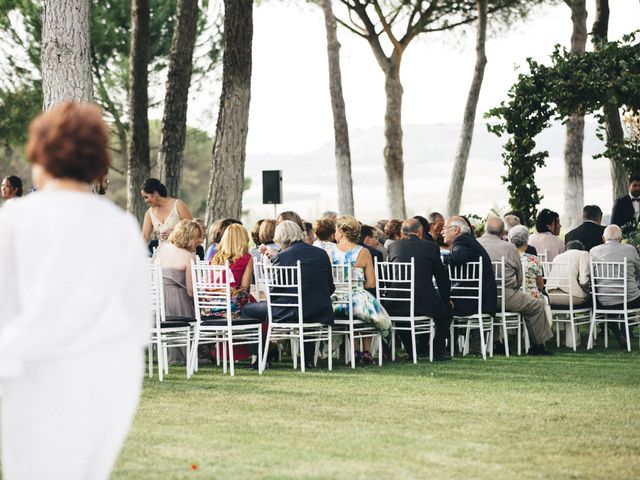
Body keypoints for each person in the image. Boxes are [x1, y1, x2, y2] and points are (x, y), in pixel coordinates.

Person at [0, 102, 149, 479]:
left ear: (42, 153)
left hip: (34, 370)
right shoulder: (119, 225)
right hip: (108, 371)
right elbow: (137, 318)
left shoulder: (16, 218)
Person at [242, 221, 335, 369]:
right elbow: (330, 288)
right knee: (307, 309)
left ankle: (260, 357)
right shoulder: (321, 254)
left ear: (281, 237)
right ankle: (308, 360)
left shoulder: (282, 257)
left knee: (247, 309)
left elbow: (273, 294)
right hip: (320, 310)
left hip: (292, 312)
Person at [477, 216, 554, 355]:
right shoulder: (509, 247)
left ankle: (496, 343)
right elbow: (519, 277)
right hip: (505, 295)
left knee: (493, 312)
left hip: (480, 296)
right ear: (503, 233)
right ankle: (539, 346)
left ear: (484, 229)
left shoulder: (475, 244)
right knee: (536, 305)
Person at [387, 218, 453, 361]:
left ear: (402, 233)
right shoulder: (431, 247)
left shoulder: (393, 247)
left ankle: (412, 351)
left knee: (401, 320)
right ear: (420, 232)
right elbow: (441, 277)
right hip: (423, 301)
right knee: (446, 313)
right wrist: (446, 300)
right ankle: (437, 351)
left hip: (395, 302)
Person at [332, 215, 392, 362]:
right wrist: (357, 286)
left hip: (334, 302)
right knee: (377, 315)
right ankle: (367, 351)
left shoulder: (330, 251)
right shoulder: (363, 252)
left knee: (359, 312)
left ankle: (355, 350)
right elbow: (372, 283)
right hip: (356, 302)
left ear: (341, 231)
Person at [154, 219, 202, 364]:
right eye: (197, 237)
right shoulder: (190, 256)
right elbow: (191, 291)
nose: (199, 241)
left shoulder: (161, 248)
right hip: (177, 302)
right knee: (193, 306)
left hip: (157, 302)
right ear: (188, 236)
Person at [210, 223, 256, 362]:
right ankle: (260, 355)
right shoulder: (247, 258)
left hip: (214, 307)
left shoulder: (215, 258)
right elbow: (245, 288)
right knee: (262, 313)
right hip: (233, 307)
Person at [590, 224, 640, 349]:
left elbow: (591, 275)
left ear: (603, 238)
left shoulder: (594, 251)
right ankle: (626, 331)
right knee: (631, 292)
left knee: (611, 305)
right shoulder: (630, 249)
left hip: (604, 301)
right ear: (621, 238)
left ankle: (620, 335)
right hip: (631, 300)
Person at [442, 216, 497, 318]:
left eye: (445, 228)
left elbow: (459, 257)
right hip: (480, 298)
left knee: (434, 302)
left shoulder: (462, 241)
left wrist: (440, 258)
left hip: (473, 301)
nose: (442, 232)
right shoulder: (468, 240)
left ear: (456, 230)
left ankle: (441, 334)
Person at [546, 240, 591, 348]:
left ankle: (562, 338)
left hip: (552, 296)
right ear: (581, 248)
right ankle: (591, 338)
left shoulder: (558, 257)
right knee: (591, 300)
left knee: (563, 308)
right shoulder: (583, 254)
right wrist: (587, 291)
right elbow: (584, 281)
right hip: (572, 296)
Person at [507, 225, 552, 329]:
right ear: (526, 242)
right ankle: (542, 337)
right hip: (531, 297)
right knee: (543, 299)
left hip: (511, 297)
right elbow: (540, 285)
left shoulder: (506, 259)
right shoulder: (534, 259)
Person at [141, 178, 193, 245]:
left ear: (155, 193)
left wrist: (174, 233)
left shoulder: (178, 205)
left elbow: (193, 229)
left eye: (146, 197)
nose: (145, 201)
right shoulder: (149, 213)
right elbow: (144, 236)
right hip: (163, 252)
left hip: (182, 250)